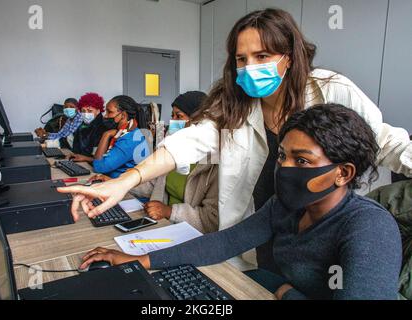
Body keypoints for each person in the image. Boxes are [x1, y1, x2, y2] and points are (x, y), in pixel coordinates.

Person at [58, 9, 411, 238]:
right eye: (241, 59)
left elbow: (385, 140)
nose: (249, 67)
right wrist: (126, 181)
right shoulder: (234, 104)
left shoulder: (330, 90)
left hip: (316, 232)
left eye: (262, 56)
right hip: (253, 228)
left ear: (289, 56)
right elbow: (188, 142)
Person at [77, 104, 403, 300]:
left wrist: (290, 294)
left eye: (301, 161)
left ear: (343, 173)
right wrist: (139, 261)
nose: (284, 169)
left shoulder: (369, 227)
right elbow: (227, 241)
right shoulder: (286, 205)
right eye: (282, 157)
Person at [124, 91, 219, 233]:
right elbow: (153, 184)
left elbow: (212, 219)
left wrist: (169, 211)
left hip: (189, 233)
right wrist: (124, 182)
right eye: (172, 115)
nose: (173, 121)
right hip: (162, 223)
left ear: (198, 122)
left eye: (179, 116)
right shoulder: (173, 150)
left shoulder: (213, 163)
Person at [72, 95, 150, 178]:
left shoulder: (129, 140)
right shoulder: (125, 132)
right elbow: (110, 159)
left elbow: (99, 167)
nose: (105, 116)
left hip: (124, 187)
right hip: (114, 179)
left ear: (123, 115)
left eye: (109, 112)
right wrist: (86, 158)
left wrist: (106, 135)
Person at [70, 92, 108, 157]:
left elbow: (99, 156)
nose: (86, 113)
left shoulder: (103, 127)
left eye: (90, 111)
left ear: (98, 111)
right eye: (83, 111)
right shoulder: (82, 125)